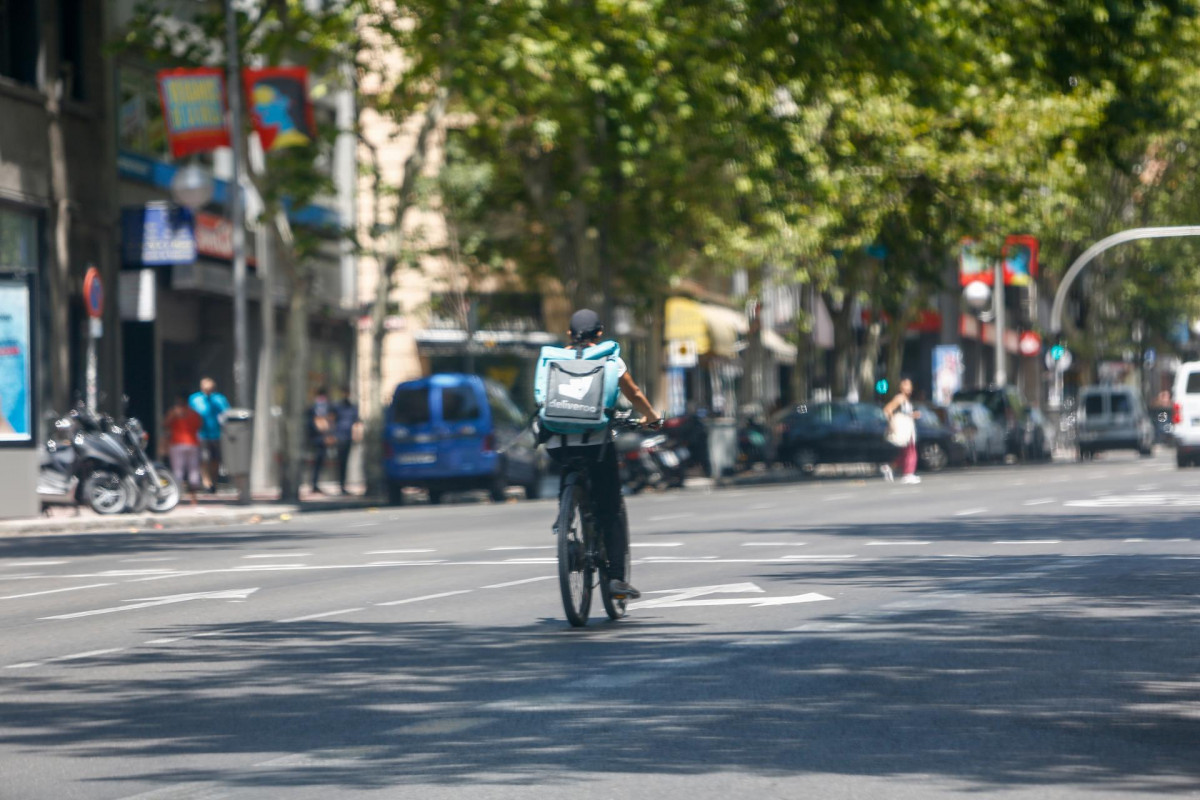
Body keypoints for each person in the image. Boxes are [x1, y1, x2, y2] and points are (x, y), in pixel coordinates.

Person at [544, 309, 661, 600]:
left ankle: (566, 519)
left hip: (559, 444)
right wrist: (650, 416)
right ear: (599, 334)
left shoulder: (553, 360)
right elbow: (633, 393)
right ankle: (616, 580)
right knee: (611, 508)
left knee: (568, 468)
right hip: (597, 444)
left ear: (569, 335)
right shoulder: (610, 358)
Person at [189, 377, 231, 494]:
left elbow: (226, 413)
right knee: (203, 459)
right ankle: (206, 482)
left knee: (215, 459)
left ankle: (214, 481)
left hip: (217, 434)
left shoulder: (219, 399)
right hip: (200, 434)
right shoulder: (195, 399)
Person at [883, 377, 921, 484]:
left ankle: (889, 468)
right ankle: (908, 474)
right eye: (905, 385)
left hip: (908, 427)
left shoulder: (906, 399)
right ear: (900, 387)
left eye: (909, 385)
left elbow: (905, 413)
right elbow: (887, 409)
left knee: (905, 453)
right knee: (911, 451)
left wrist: (913, 415)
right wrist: (893, 423)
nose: (908, 387)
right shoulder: (899, 398)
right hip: (904, 428)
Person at [163, 395, 203, 496]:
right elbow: (199, 425)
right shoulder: (194, 413)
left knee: (178, 468)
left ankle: (178, 489)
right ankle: (194, 489)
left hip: (177, 443)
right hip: (192, 443)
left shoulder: (173, 413)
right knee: (193, 467)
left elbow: (165, 424)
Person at [332, 387, 362, 495]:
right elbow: (331, 420)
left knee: (345, 462)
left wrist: (357, 435)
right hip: (339, 437)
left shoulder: (353, 407)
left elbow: (357, 422)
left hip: (348, 437)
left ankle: (343, 484)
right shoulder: (337, 407)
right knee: (340, 462)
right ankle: (340, 484)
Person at [308, 387, 334, 493]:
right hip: (316, 439)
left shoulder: (328, 408)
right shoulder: (313, 409)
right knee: (316, 462)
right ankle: (314, 484)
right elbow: (313, 424)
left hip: (324, 439)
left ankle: (315, 483)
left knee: (320, 462)